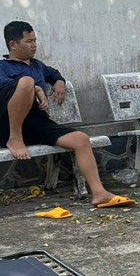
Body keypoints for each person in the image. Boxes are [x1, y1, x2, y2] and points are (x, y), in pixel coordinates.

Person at [0, 21, 133, 209]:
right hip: (8, 126)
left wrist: (59, 83)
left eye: (35, 40)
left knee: (81, 139)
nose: (34, 45)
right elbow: (9, 86)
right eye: (29, 41)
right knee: (27, 82)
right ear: (13, 44)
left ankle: (99, 193)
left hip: (38, 123)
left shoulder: (37, 66)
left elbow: (54, 74)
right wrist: (36, 88)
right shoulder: (3, 67)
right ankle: (15, 138)